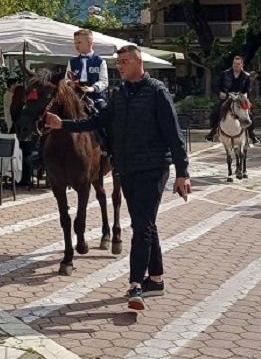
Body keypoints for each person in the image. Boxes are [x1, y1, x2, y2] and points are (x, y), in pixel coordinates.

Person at [45, 45, 190, 310]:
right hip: (127, 168)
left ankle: (135, 285)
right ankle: (156, 279)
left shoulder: (157, 91)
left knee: (141, 227)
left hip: (153, 168)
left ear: (138, 62)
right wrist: (63, 124)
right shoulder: (120, 93)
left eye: (124, 62)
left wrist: (183, 173)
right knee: (145, 224)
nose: (119, 66)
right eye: (118, 62)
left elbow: (174, 134)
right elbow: (97, 122)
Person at [206, 55, 259, 144]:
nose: (236, 65)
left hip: (240, 98)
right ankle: (213, 131)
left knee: (249, 114)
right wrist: (220, 92)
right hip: (227, 96)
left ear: (242, 65)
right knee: (216, 112)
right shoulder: (225, 74)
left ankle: (251, 134)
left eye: (238, 64)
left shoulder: (246, 76)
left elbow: (248, 89)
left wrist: (246, 98)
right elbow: (217, 86)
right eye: (234, 63)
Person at [68, 29, 108, 111]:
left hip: (96, 98)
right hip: (76, 98)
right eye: (75, 43)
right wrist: (70, 83)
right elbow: (66, 79)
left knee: (104, 111)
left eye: (79, 43)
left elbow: (104, 81)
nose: (76, 45)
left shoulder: (100, 61)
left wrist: (92, 88)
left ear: (90, 42)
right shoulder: (72, 62)